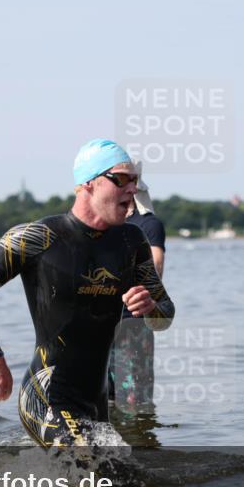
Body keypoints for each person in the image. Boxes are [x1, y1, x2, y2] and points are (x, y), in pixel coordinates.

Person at [0, 139, 175, 447]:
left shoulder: (132, 241)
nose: (133, 189)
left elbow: (164, 315)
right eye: (121, 179)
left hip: (96, 402)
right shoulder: (37, 238)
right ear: (88, 184)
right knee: (99, 473)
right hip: (47, 395)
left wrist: (151, 306)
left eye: (135, 181)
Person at [108, 162, 166, 414]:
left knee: (134, 401)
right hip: (100, 324)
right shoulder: (104, 223)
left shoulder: (149, 224)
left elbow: (156, 269)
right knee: (101, 399)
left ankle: (140, 445)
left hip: (132, 324)